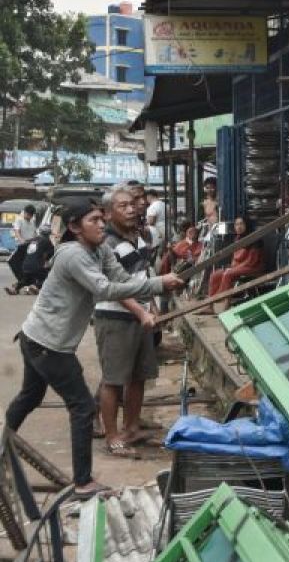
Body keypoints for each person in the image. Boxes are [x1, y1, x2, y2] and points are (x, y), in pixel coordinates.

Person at [4, 201, 183, 499]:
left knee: (31, 396)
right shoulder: (73, 255)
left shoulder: (100, 250)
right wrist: (158, 284)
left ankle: (3, 445)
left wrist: (154, 288)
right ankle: (83, 482)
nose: (101, 224)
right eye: (94, 220)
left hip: (39, 339)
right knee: (84, 407)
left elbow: (122, 280)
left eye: (102, 219)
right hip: (47, 344)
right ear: (75, 227)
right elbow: (105, 290)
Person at [94, 185, 162, 456]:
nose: (132, 209)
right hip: (115, 317)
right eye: (123, 206)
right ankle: (112, 437)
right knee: (113, 379)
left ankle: (132, 427)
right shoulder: (106, 244)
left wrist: (151, 305)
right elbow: (113, 287)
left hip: (140, 315)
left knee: (138, 375)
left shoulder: (137, 237)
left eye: (132, 204)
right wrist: (141, 311)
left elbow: (143, 274)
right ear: (108, 214)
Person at [207, 216, 265, 300]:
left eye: (241, 224)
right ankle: (210, 302)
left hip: (253, 268)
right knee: (215, 275)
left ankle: (221, 300)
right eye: (236, 224)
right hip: (239, 267)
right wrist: (231, 267)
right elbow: (235, 258)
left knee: (227, 274)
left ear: (247, 225)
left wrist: (233, 269)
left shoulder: (254, 239)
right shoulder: (237, 239)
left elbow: (251, 261)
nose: (239, 227)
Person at [6, 206, 39, 294]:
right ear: (25, 212)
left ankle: (24, 284)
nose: (29, 216)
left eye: (31, 215)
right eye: (28, 214)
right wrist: (21, 240)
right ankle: (23, 283)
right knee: (13, 262)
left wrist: (36, 239)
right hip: (22, 245)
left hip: (30, 245)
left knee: (24, 266)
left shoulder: (32, 221)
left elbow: (34, 232)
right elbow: (17, 231)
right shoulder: (19, 219)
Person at [19, 225, 54, 293]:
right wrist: (46, 260)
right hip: (37, 266)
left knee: (27, 278)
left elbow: (21, 247)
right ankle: (35, 286)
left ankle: (16, 288)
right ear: (48, 233)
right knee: (48, 277)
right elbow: (52, 253)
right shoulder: (47, 241)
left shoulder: (32, 240)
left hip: (25, 265)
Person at [145, 189, 166, 257]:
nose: (146, 200)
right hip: (165, 228)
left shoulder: (152, 206)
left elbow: (151, 221)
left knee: (156, 251)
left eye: (146, 197)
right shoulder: (163, 204)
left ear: (149, 196)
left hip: (156, 231)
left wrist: (146, 222)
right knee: (163, 250)